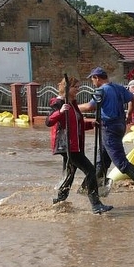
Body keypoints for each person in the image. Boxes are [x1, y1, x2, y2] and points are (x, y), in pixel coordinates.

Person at [78, 67, 134, 195]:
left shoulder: (101, 90)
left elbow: (90, 107)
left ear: (97, 78)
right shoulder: (118, 87)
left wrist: (73, 107)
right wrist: (129, 113)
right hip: (119, 126)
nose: (93, 83)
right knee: (101, 161)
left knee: (121, 163)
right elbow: (133, 98)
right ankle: (87, 188)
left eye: (92, 80)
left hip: (109, 128)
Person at [46, 76, 113, 214]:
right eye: (75, 87)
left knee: (70, 174)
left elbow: (76, 124)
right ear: (67, 88)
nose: (78, 89)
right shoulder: (58, 103)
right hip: (66, 145)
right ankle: (96, 204)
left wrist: (90, 124)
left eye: (78, 86)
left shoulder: (73, 103)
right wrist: (60, 112)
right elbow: (48, 121)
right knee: (91, 171)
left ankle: (59, 202)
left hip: (75, 145)